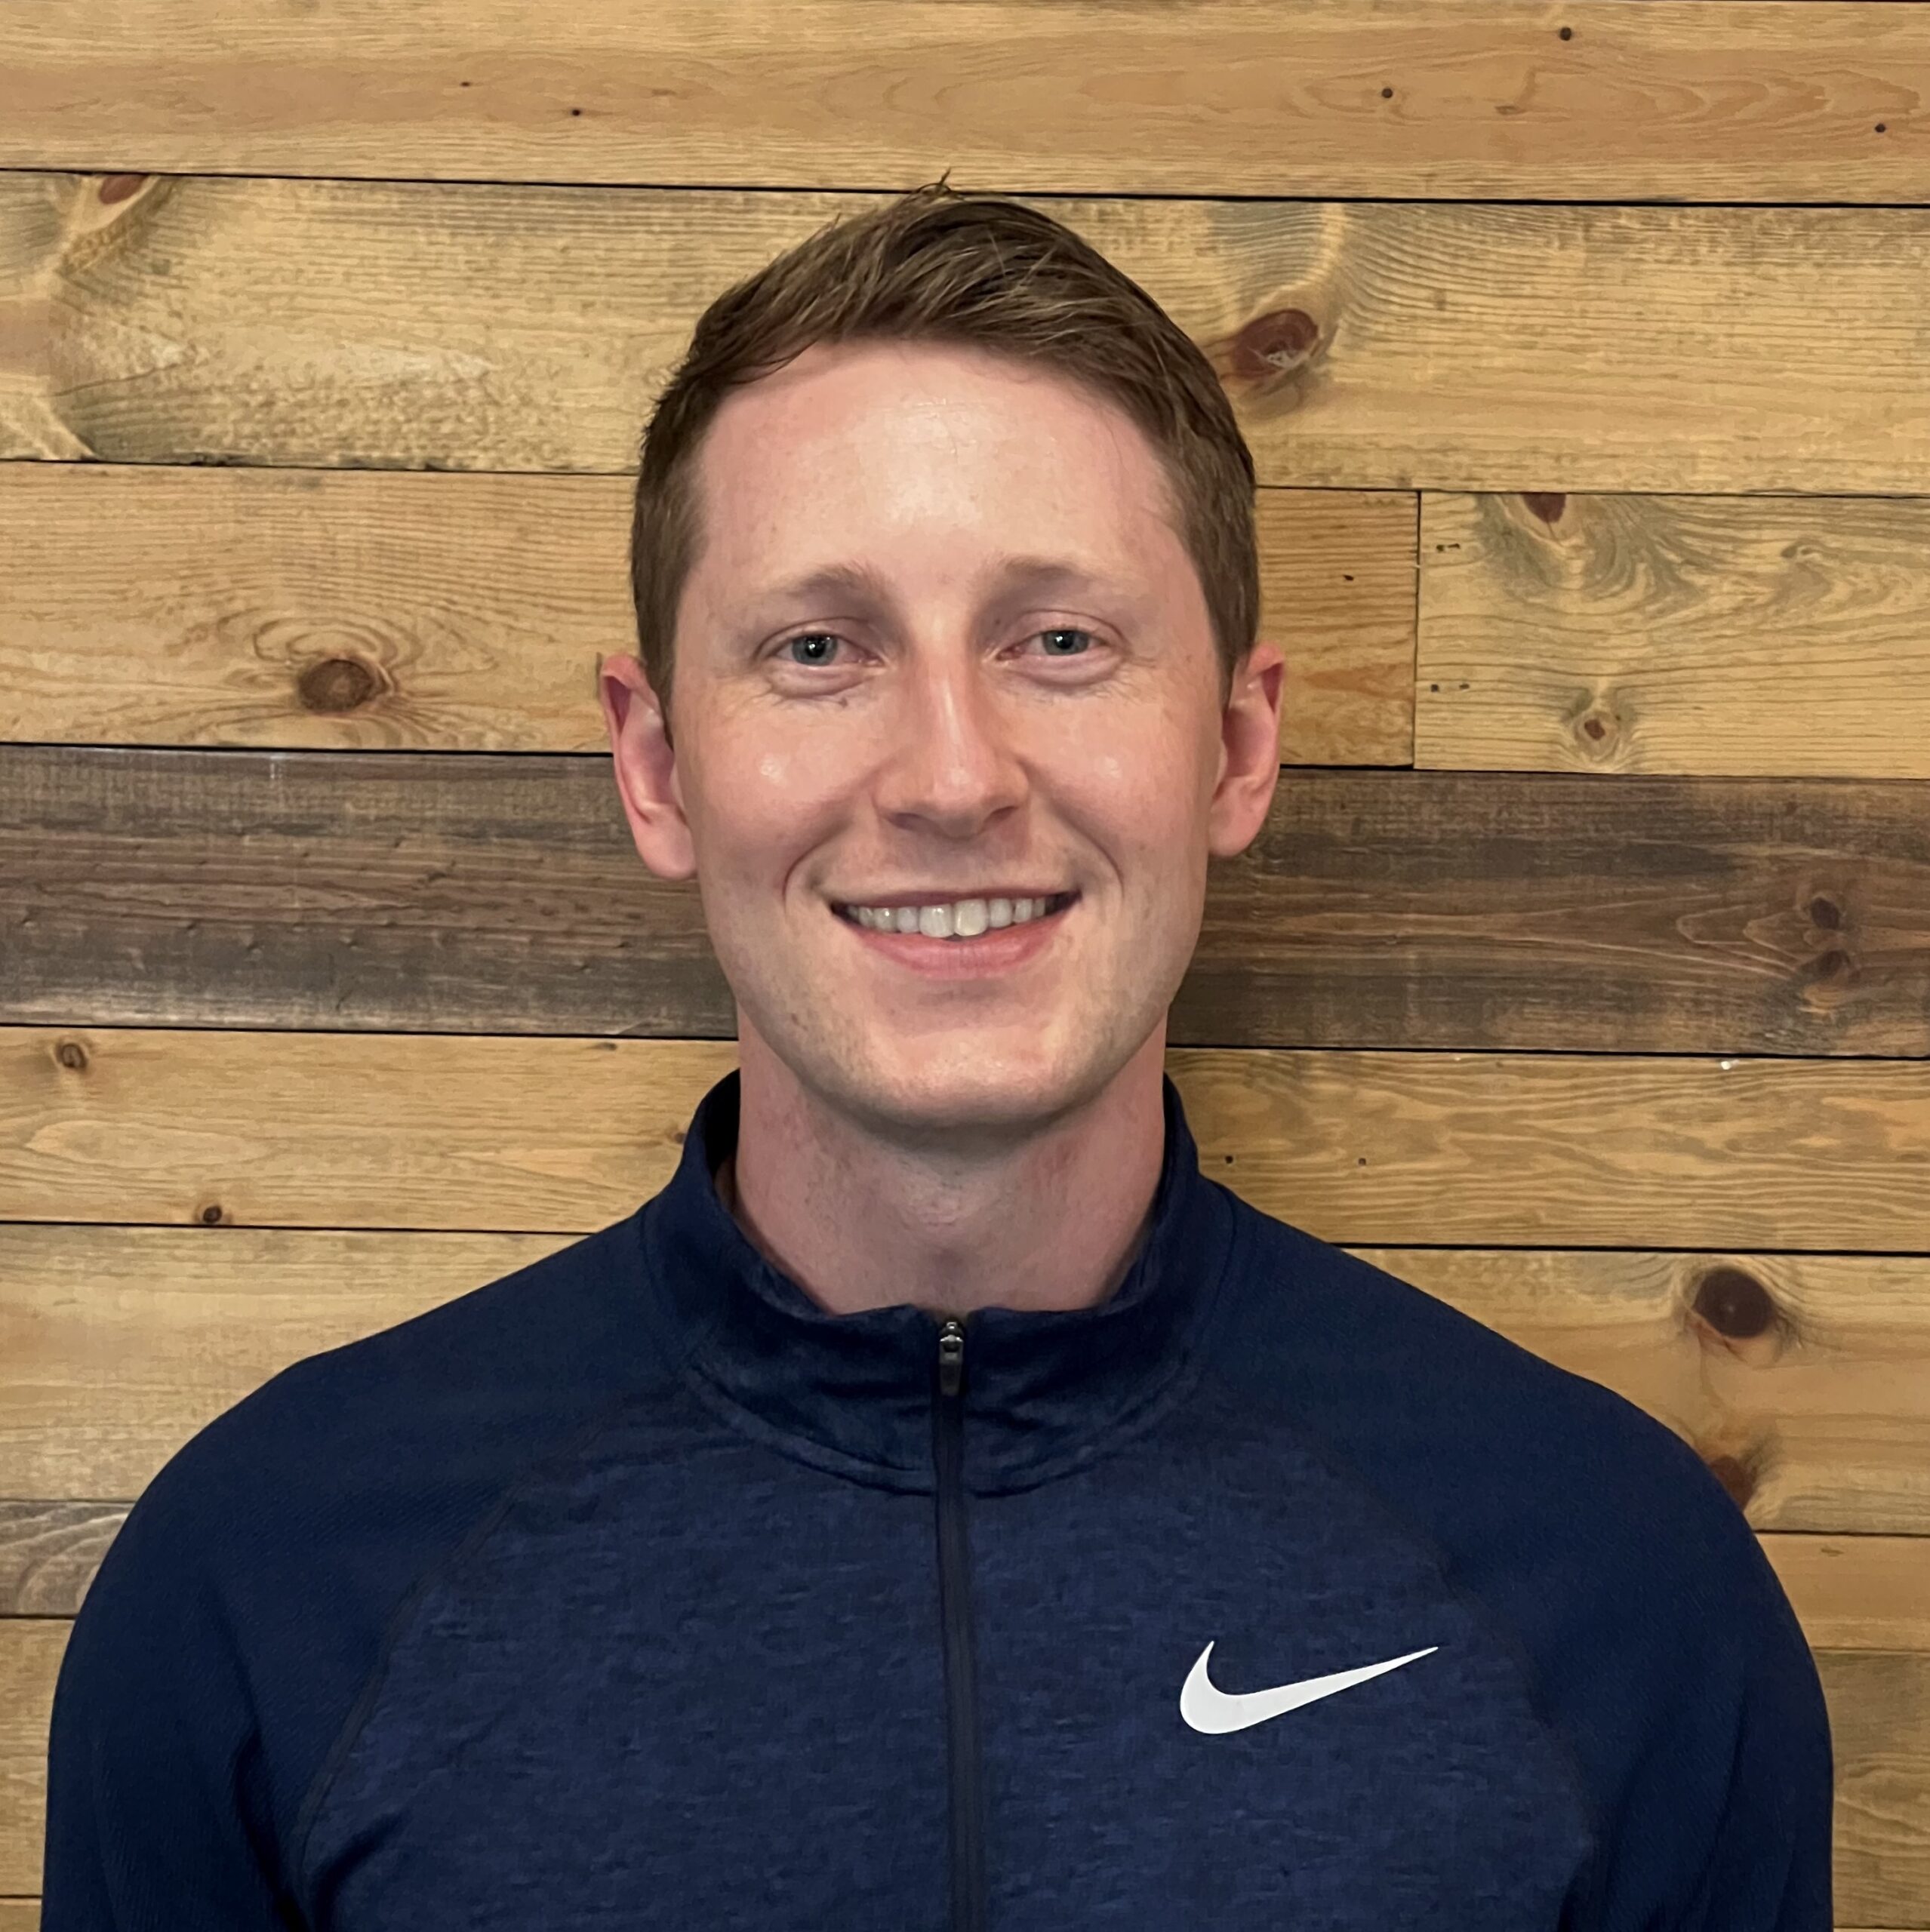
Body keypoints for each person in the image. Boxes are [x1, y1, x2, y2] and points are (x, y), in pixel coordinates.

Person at [41, 178, 1833, 1930]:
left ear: (1232, 744)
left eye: (1060, 639)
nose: (952, 776)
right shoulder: (266, 1582)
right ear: (657, 764)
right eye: (820, 649)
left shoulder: (1613, 1588)